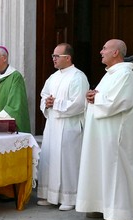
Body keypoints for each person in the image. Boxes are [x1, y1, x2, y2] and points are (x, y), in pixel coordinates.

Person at [75, 39, 133, 220]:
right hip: (101, 132)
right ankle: (101, 205)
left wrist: (95, 97)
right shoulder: (110, 74)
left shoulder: (125, 74)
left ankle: (120, 214)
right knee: (100, 168)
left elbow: (120, 102)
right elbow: (102, 97)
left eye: (105, 48)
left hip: (115, 134)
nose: (101, 51)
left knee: (114, 170)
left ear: (116, 53)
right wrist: (92, 96)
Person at [37, 43, 89, 211]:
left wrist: (55, 103)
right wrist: (47, 102)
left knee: (68, 162)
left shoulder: (78, 77)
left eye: (57, 56)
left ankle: (70, 197)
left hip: (69, 126)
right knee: (49, 159)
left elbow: (80, 103)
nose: (53, 58)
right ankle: (49, 195)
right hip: (52, 125)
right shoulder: (53, 77)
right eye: (53, 56)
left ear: (68, 58)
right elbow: (44, 95)